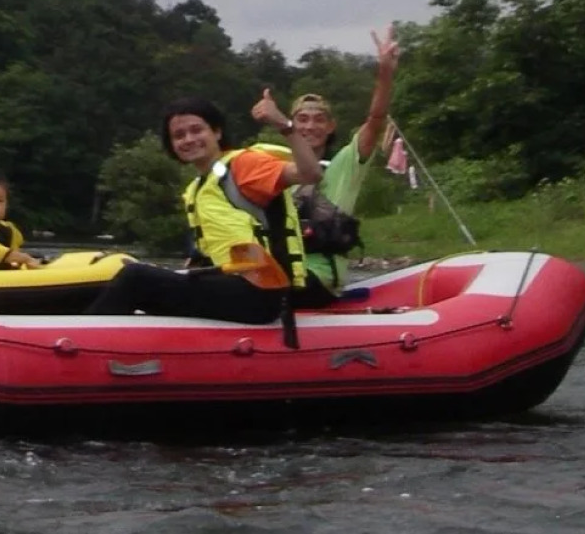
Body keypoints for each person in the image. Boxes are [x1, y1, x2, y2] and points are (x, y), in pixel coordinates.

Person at [84, 89, 322, 323]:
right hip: (231, 285)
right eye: (179, 135)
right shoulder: (199, 186)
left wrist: (284, 125)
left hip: (259, 292)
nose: (188, 139)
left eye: (197, 130)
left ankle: (83, 343)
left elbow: (310, 173)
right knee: (120, 278)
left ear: (217, 132)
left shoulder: (244, 165)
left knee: (135, 278)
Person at [288, 23, 401, 290]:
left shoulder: (343, 164)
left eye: (318, 120)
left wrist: (384, 74)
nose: (310, 127)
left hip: (319, 278)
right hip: (281, 274)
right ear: (290, 126)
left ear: (330, 126)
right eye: (302, 120)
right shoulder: (276, 169)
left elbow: (375, 121)